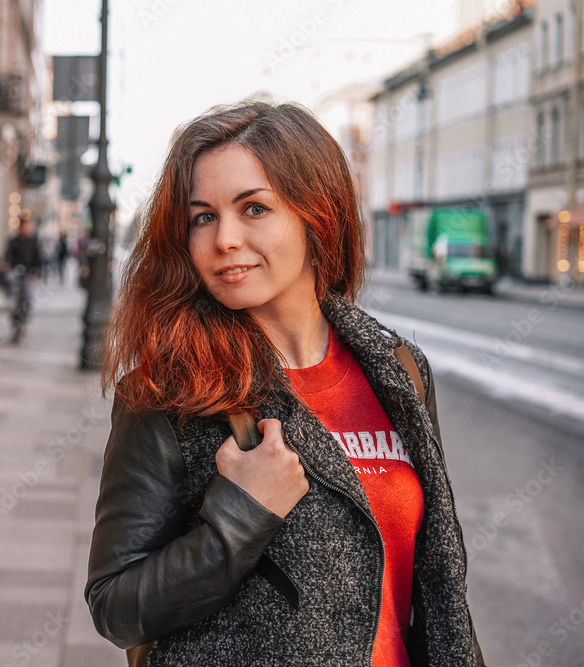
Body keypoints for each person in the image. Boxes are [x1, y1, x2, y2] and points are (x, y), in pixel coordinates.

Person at [85, 102, 485, 666]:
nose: (224, 238)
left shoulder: (399, 371)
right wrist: (242, 513)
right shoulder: (168, 391)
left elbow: (435, 589)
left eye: (253, 208)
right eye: (202, 216)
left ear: (316, 215)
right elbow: (115, 606)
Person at [0, 213, 42, 340]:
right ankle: (10, 300)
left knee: (28, 295)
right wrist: (5, 264)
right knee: (10, 279)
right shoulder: (14, 241)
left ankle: (25, 322)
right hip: (15, 270)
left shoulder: (33, 242)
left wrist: (34, 273)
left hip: (28, 273)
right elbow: (7, 256)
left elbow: (38, 260)